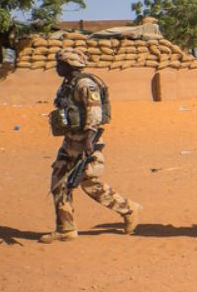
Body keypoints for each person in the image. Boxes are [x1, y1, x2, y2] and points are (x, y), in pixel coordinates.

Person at [40, 49, 140, 243]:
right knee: (59, 182)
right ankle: (66, 229)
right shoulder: (68, 84)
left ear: (69, 65)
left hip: (86, 142)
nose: (57, 68)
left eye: (60, 64)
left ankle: (128, 209)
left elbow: (94, 111)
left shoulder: (86, 84)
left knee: (89, 183)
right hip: (70, 141)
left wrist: (89, 139)